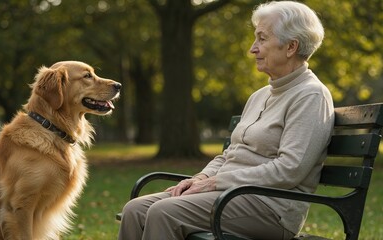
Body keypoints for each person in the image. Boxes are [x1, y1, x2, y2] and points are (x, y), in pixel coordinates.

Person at [118, 1, 334, 239]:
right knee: (135, 210)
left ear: (291, 47)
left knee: (163, 212)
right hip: (230, 194)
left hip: (271, 207)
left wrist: (216, 183)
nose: (253, 48)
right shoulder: (259, 96)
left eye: (262, 39)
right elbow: (229, 154)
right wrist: (201, 178)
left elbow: (289, 170)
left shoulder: (310, 96)